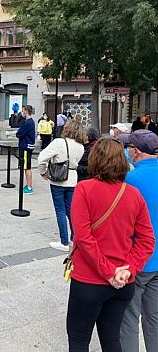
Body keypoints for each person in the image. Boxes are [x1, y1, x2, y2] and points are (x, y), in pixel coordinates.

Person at [66, 138, 155, 351]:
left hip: (89, 280)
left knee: (79, 340)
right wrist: (129, 269)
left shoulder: (84, 189)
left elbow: (84, 237)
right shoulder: (133, 194)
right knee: (112, 339)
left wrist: (107, 272)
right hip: (123, 281)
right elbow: (147, 240)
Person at [118, 130, 158, 352]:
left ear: (135, 150)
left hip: (139, 259)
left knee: (129, 318)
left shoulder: (131, 179)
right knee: (154, 319)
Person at [37, 120, 86, 252]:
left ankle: (64, 241)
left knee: (60, 210)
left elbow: (42, 158)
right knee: (70, 211)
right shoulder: (80, 146)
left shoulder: (59, 142)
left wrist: (43, 172)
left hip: (58, 178)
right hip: (73, 179)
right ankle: (74, 238)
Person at [16, 104, 36, 194]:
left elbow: (19, 133)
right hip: (27, 146)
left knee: (27, 167)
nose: (22, 112)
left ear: (26, 111)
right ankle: (28, 184)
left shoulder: (28, 123)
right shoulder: (29, 122)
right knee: (25, 166)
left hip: (25, 147)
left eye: (23, 110)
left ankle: (29, 187)